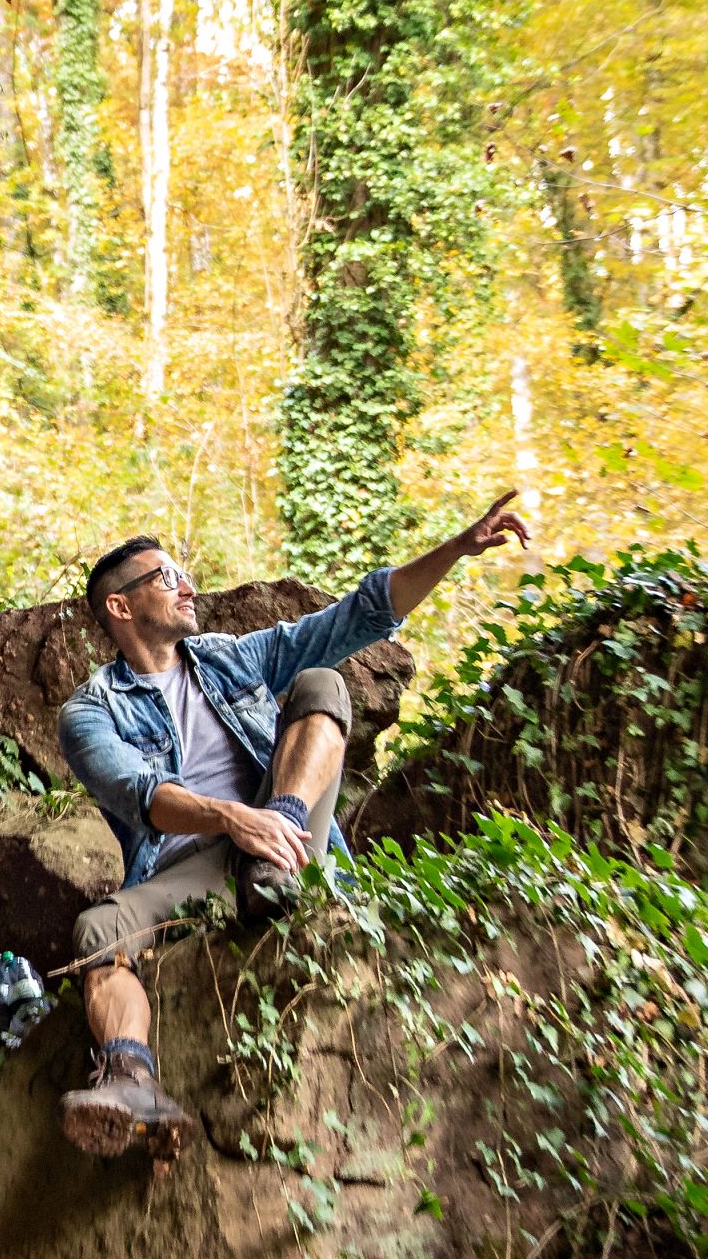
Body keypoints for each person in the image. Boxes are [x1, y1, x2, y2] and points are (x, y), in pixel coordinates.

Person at [55, 491, 535, 1152]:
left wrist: (456, 548)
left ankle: (275, 864)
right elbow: (140, 792)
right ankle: (131, 1080)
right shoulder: (89, 712)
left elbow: (357, 617)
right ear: (121, 606)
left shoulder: (225, 657)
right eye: (167, 577)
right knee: (96, 930)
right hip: (200, 869)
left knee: (321, 684)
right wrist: (234, 821)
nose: (188, 586)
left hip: (288, 832)